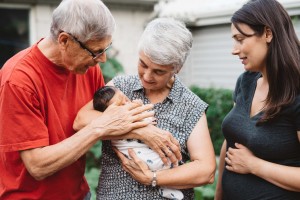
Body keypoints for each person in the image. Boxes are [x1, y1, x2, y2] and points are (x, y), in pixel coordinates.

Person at [0, 0, 182, 199]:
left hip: (78, 193)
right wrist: (99, 128)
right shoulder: (18, 80)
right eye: (96, 51)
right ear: (64, 41)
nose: (103, 59)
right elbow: (37, 165)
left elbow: (105, 117)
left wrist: (143, 131)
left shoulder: (88, 68)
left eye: (106, 49)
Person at [74, 17, 216, 199]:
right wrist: (140, 131)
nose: (147, 76)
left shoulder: (190, 105)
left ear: (177, 68)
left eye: (159, 71)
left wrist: (153, 178)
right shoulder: (120, 87)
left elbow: (206, 170)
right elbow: (81, 120)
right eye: (143, 64)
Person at [214, 0, 300, 199]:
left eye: (240, 39)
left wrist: (255, 166)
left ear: (268, 34)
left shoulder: (296, 95)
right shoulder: (246, 82)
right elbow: (231, 141)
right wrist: (219, 194)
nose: (234, 50)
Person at [93, 85, 184, 199]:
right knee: (163, 160)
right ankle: (166, 183)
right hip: (139, 155)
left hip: (141, 159)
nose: (127, 104)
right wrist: (139, 105)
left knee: (164, 160)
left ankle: (165, 186)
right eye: (121, 105)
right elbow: (148, 116)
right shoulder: (116, 122)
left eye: (126, 99)